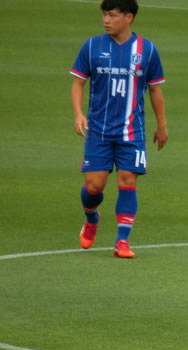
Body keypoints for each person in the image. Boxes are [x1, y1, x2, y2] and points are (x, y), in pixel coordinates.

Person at [71, 0, 168, 258]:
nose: (106, 20)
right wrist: (79, 114)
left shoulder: (147, 50)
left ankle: (122, 241)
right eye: (104, 15)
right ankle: (91, 217)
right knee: (94, 187)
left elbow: (155, 90)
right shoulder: (92, 46)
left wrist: (162, 125)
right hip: (98, 131)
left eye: (112, 15)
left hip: (132, 131)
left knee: (128, 181)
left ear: (128, 17)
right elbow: (78, 82)